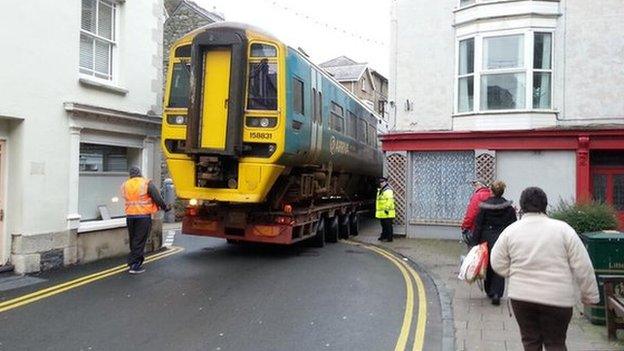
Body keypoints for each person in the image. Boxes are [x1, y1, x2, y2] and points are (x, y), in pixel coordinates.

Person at [491, 187, 599, 351]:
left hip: (522, 297)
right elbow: (583, 265)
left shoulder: (511, 231)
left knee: (530, 342)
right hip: (557, 299)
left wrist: (513, 273)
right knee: (555, 343)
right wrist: (589, 295)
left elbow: (497, 260)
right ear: (545, 206)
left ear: (521, 206)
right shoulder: (563, 230)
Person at [472, 180, 516, 305]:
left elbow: (478, 225)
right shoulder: (508, 207)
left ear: (491, 191)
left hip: (486, 238)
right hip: (502, 238)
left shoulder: (484, 206)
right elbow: (513, 225)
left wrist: (475, 242)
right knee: (500, 264)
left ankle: (489, 290)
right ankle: (497, 293)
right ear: (502, 191)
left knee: (488, 264)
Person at [121, 166, 168, 274]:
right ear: (139, 173)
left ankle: (133, 261)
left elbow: (125, 197)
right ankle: (134, 265)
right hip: (143, 216)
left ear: (130, 174)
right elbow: (157, 198)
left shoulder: (125, 185)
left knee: (133, 240)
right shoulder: (146, 183)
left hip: (130, 216)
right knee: (140, 240)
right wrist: (165, 207)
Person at [461, 179, 492, 244]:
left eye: (475, 185)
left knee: (474, 251)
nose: (474, 188)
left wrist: (465, 226)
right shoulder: (491, 195)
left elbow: (471, 214)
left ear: (479, 185)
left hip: (476, 229)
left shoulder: (477, 196)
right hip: (490, 230)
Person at [376, 177, 395, 242]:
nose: (381, 183)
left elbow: (389, 201)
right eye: (380, 182)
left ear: (386, 182)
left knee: (388, 225)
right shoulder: (381, 190)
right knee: (383, 225)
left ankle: (390, 238)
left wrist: (386, 209)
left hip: (387, 212)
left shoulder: (388, 191)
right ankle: (384, 236)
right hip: (382, 212)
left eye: (382, 182)